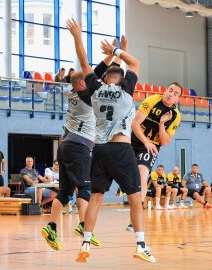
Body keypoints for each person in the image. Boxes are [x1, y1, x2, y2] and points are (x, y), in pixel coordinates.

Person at [67, 18, 155, 263]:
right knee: (135, 198)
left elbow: (84, 62)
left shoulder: (94, 89)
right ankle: (140, 245)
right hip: (121, 149)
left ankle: (86, 242)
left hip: (100, 150)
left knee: (96, 197)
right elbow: (134, 62)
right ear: (122, 77)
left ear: (106, 77)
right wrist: (117, 50)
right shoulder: (126, 89)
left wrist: (77, 36)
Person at [41, 47, 122, 250]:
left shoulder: (75, 93)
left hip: (65, 145)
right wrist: (117, 53)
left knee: (65, 191)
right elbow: (95, 71)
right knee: (85, 189)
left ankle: (51, 227)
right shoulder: (89, 97)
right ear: (83, 83)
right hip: (79, 146)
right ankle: (85, 228)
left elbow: (93, 71)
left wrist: (113, 54)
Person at [127, 82, 181, 230]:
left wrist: (162, 124)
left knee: (142, 174)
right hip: (135, 139)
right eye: (170, 90)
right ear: (165, 91)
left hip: (152, 146)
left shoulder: (175, 116)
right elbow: (135, 123)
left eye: (176, 94)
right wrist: (145, 142)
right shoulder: (152, 100)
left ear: (177, 100)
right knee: (125, 171)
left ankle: (135, 218)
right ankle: (125, 182)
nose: (171, 94)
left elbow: (164, 142)